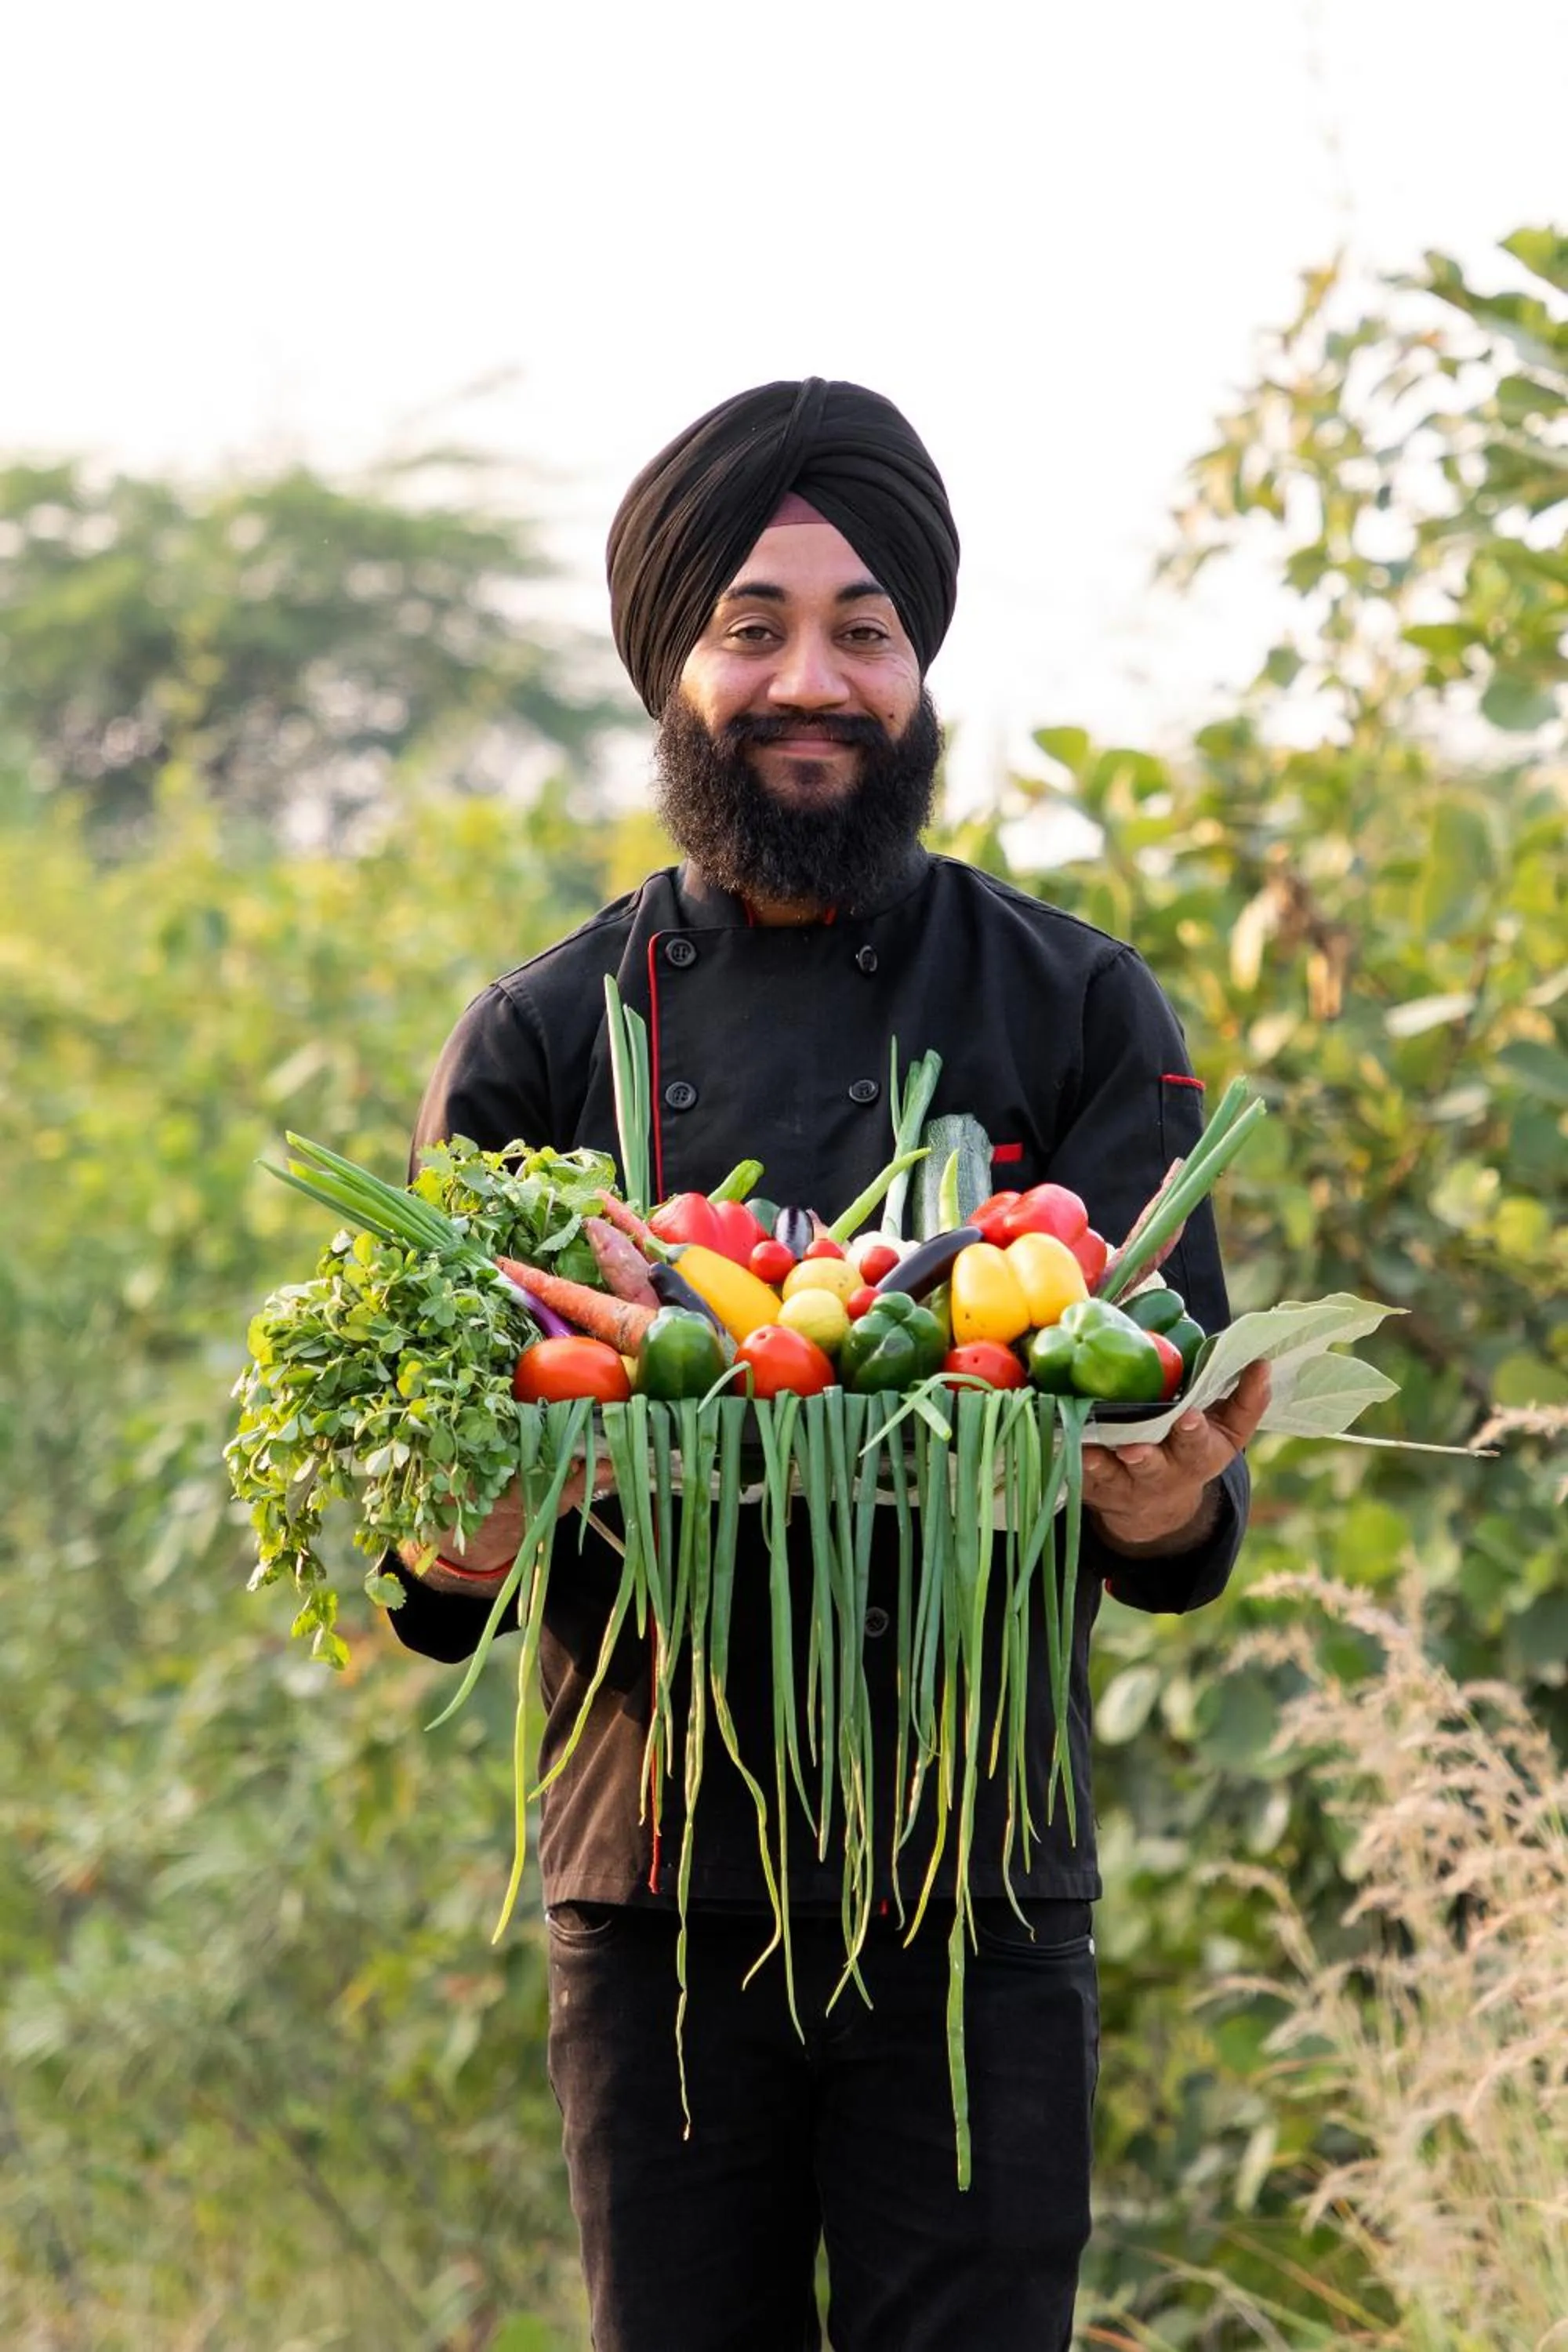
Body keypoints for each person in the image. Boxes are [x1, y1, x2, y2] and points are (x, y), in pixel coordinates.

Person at [383, 378, 1270, 2352]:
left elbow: (1181, 1508)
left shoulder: (1074, 1005)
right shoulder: (536, 1043)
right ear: (673, 668)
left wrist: (1169, 1485)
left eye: (863, 629)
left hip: (975, 1878)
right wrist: (466, 1530)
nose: (815, 679)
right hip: (655, 1883)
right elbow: (434, 1572)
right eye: (754, 628)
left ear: (920, 665)